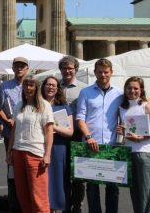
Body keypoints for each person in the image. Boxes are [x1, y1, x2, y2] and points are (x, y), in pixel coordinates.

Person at [76, 58, 123, 213]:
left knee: (113, 188)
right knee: (92, 187)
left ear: (111, 73)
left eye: (106, 72)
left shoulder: (119, 94)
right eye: (100, 72)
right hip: (91, 144)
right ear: (95, 72)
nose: (103, 75)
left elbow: (125, 115)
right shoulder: (85, 92)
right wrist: (88, 137)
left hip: (112, 145)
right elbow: (80, 118)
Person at [7, 75, 54, 213]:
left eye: (32, 85)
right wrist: (9, 151)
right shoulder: (19, 106)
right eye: (26, 85)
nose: (28, 88)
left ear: (37, 87)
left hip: (36, 153)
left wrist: (47, 154)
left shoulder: (44, 106)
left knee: (39, 196)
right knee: (23, 195)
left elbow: (49, 132)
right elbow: (14, 130)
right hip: (18, 152)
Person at [0, 56, 28, 213]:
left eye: (22, 66)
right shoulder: (4, 86)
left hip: (28, 135)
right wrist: (7, 119)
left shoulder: (32, 85)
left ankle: (26, 203)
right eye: (16, 66)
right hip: (10, 133)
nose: (19, 69)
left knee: (27, 168)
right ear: (13, 68)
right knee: (12, 168)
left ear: (27, 69)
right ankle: (14, 204)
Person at [58, 55, 87, 213]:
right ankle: (64, 203)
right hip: (59, 135)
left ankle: (77, 204)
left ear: (76, 69)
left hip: (76, 135)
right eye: (64, 68)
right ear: (60, 70)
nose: (67, 71)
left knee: (77, 172)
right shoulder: (55, 86)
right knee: (62, 171)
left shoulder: (84, 88)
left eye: (70, 68)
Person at [118, 77, 150, 213]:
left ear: (141, 90)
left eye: (136, 88)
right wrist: (121, 131)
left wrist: (141, 138)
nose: (132, 91)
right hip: (128, 152)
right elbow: (125, 130)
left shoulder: (146, 105)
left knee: (145, 192)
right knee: (135, 192)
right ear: (125, 89)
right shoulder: (122, 108)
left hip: (144, 152)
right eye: (129, 88)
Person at [42, 76, 74, 213]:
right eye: (48, 84)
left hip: (58, 148)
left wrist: (52, 127)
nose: (51, 87)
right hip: (40, 147)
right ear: (43, 87)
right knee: (43, 182)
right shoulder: (37, 105)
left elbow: (70, 132)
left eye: (54, 85)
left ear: (57, 89)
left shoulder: (64, 108)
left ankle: (55, 209)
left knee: (57, 181)